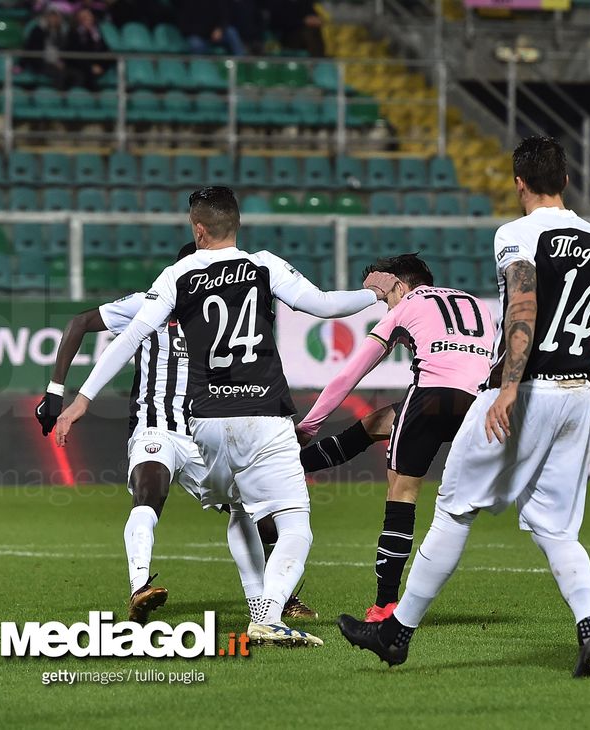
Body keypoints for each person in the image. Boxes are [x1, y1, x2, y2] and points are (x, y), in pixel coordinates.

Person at [338, 136, 590, 678]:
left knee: (454, 507)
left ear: (519, 182)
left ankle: (396, 634)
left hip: (525, 391)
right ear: (566, 182)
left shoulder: (518, 234)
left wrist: (511, 387)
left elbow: (523, 306)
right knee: (557, 529)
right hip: (576, 397)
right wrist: (577, 377)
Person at [53, 186, 398, 646]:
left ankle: (259, 609)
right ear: (236, 224)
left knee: (239, 504)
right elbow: (323, 306)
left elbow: (131, 336)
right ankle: (269, 615)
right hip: (263, 413)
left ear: (198, 228)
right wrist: (374, 294)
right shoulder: (263, 265)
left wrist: (82, 399)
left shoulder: (178, 275)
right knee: (294, 523)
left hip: (207, 423)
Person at [36, 243, 317, 624]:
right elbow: (80, 322)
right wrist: (56, 390)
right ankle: (139, 588)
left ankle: (267, 606)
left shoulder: (228, 313)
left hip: (208, 433)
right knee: (150, 492)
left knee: (254, 514)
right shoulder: (152, 301)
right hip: (157, 427)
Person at [295, 253, 494, 622]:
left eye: (383, 296)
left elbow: (348, 375)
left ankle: (385, 604)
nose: (383, 304)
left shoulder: (407, 307)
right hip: (480, 404)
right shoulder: (477, 303)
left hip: (431, 395)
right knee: (377, 422)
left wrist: (308, 427)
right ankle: (292, 468)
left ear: (400, 286)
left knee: (401, 495)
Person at [23, 5, 70, 88]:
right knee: (60, 73)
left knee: (75, 74)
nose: (53, 19)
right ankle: (57, 96)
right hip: (41, 62)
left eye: (56, 17)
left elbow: (65, 49)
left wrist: (60, 61)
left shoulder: (62, 33)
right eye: (51, 16)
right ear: (46, 17)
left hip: (58, 62)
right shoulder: (37, 31)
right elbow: (30, 48)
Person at [175, 0, 245, 56]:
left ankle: (242, 64)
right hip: (197, 35)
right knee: (196, 44)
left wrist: (220, 29)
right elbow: (185, 25)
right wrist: (205, 33)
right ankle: (202, 70)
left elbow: (224, 15)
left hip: (214, 34)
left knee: (231, 32)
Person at [64, 7, 110, 91]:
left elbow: (106, 50)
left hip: (97, 67)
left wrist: (101, 66)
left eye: (89, 16)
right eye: (84, 17)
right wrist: (90, 67)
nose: (87, 19)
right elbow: (74, 55)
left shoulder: (97, 33)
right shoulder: (73, 33)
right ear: (79, 19)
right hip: (80, 68)